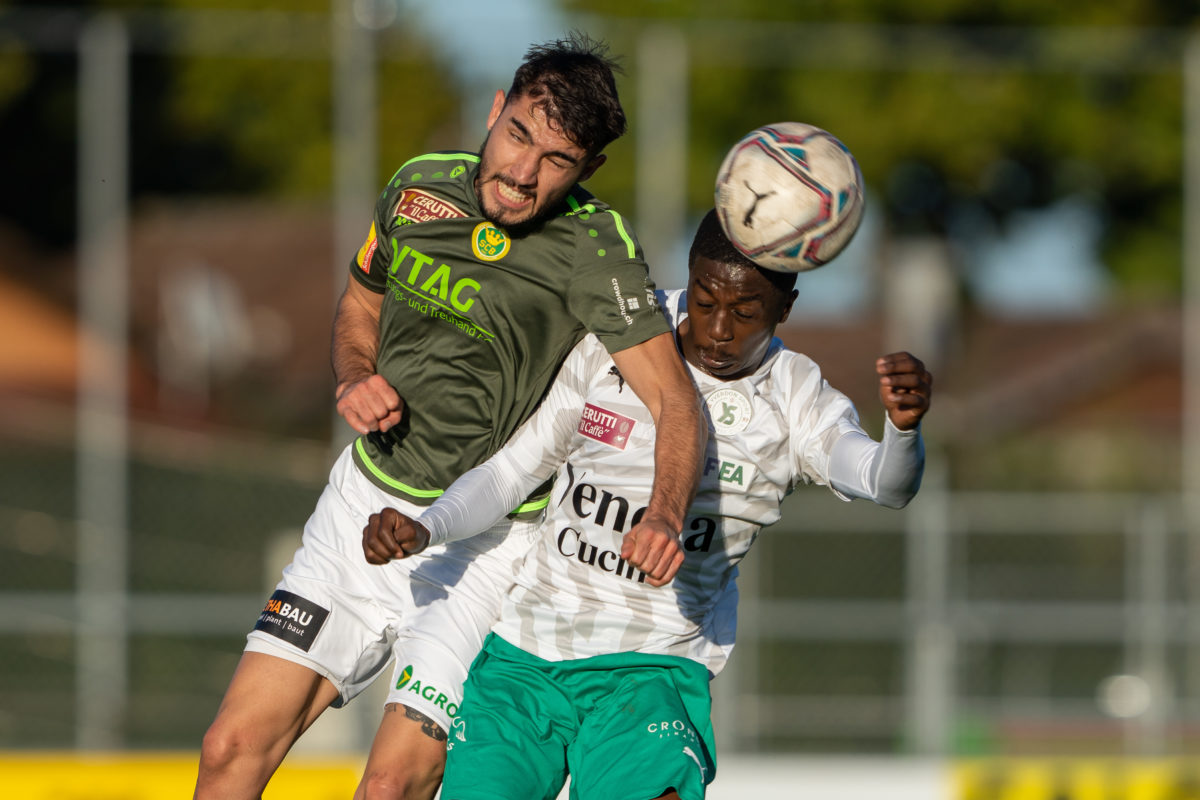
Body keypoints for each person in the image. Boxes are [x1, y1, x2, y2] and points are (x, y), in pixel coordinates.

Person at [194, 34, 705, 800]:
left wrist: (664, 512)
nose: (523, 172)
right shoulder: (417, 188)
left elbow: (676, 402)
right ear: (495, 111)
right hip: (359, 510)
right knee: (230, 746)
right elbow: (362, 299)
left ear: (588, 170)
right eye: (518, 135)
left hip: (483, 555)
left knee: (390, 786)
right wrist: (355, 372)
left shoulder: (600, 253)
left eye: (556, 160)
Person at [362, 208, 933, 800]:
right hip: (525, 658)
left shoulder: (794, 394)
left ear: (784, 308)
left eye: (744, 314)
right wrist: (428, 526)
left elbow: (886, 484)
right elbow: (510, 472)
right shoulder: (624, 336)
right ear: (689, 274)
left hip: (653, 667)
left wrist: (904, 430)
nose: (716, 330)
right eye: (706, 301)